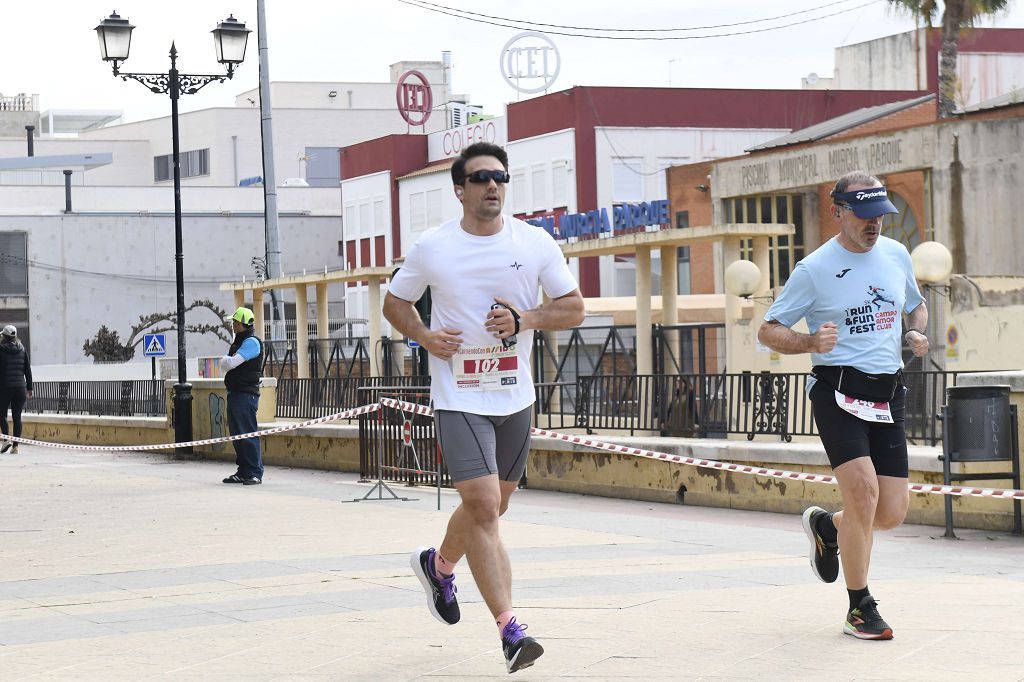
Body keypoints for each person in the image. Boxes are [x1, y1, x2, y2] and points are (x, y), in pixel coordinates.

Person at [384, 142, 584, 673]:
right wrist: (426, 337)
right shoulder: (434, 246)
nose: (492, 186)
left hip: (515, 395)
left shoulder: (535, 241)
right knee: (484, 505)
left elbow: (574, 308)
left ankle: (439, 565)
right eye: (480, 178)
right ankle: (510, 629)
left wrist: (527, 320)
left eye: (499, 177)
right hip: (459, 395)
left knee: (493, 508)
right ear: (460, 190)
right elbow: (394, 302)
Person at [757, 170, 929, 641]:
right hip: (837, 393)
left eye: (881, 215)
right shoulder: (814, 269)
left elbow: (916, 304)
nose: (875, 223)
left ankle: (829, 528)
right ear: (839, 213)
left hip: (888, 393)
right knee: (864, 495)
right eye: (865, 214)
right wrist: (811, 340)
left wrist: (914, 331)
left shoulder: (896, 255)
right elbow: (768, 329)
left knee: (889, 513)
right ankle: (860, 607)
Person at [219, 307, 265, 485]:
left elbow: (230, 363)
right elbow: (228, 364)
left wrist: (225, 360)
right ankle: (243, 471)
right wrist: (226, 362)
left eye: (235, 322)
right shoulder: (239, 342)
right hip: (236, 393)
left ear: (242, 324)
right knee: (237, 435)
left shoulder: (251, 342)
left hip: (246, 395)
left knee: (247, 433)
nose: (233, 325)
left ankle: (254, 472)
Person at [0, 325, 32, 454]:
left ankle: (6, 439)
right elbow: (27, 370)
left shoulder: (1, 349)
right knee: (17, 417)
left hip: (5, 387)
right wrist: (29, 388)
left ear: (4, 336)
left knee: (1, 414)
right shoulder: (22, 349)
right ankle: (15, 446)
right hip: (20, 387)